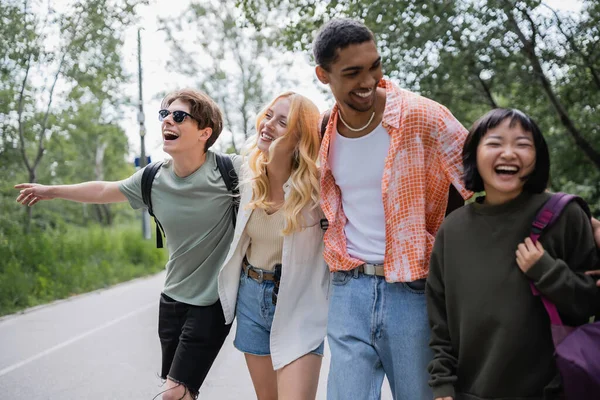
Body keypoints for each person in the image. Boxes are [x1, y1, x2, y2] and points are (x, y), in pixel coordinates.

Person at [15, 89, 240, 400]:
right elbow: (103, 190)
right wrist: (50, 190)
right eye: (165, 115)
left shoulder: (229, 171)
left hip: (212, 303)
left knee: (171, 393)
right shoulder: (153, 178)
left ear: (205, 132)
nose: (167, 122)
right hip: (172, 299)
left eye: (179, 116)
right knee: (182, 393)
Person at [312, 18, 471, 400]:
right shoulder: (325, 129)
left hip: (413, 293)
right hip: (349, 290)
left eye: (375, 66)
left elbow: (486, 180)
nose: (368, 81)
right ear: (323, 74)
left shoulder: (422, 116)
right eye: (352, 73)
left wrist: (569, 222)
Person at [426, 108, 600, 400]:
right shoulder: (452, 230)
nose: (508, 153)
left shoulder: (565, 215)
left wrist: (547, 271)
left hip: (553, 390)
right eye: (495, 143)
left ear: (537, 157)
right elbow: (439, 318)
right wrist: (442, 380)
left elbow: (591, 304)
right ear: (474, 155)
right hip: (473, 392)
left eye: (522, 144)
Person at [218, 91, 329, 400]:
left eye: (282, 122)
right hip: (252, 298)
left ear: (299, 138)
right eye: (268, 115)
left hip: (298, 303)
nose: (267, 125)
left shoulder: (318, 188)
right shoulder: (247, 174)